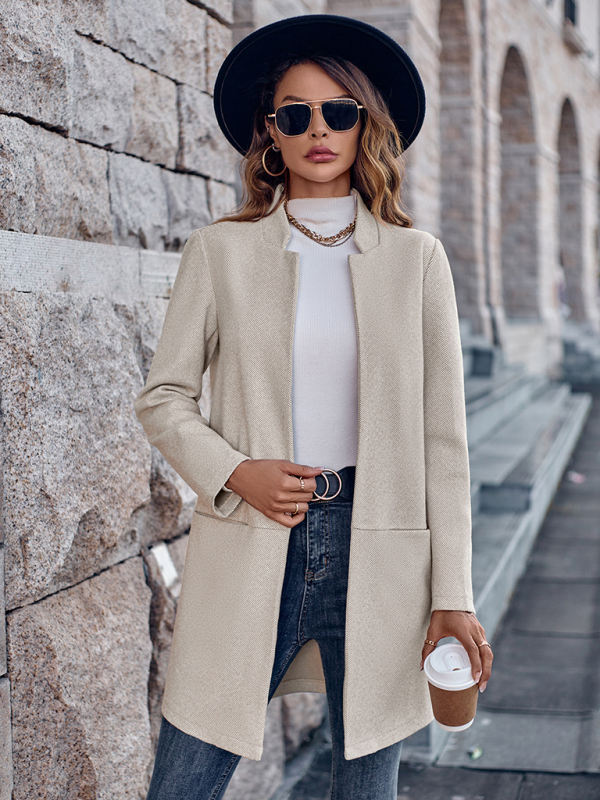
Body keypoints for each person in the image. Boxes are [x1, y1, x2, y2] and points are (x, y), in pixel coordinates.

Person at [135, 13, 493, 800]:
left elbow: (444, 444)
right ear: (271, 131)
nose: (319, 130)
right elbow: (163, 398)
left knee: (367, 782)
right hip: (253, 534)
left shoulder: (417, 260)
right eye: (295, 115)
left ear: (367, 123)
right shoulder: (220, 253)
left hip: (381, 545)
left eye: (338, 111)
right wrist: (237, 471)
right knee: (186, 776)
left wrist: (453, 596)